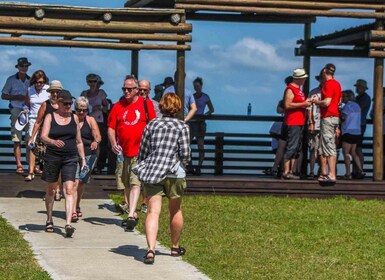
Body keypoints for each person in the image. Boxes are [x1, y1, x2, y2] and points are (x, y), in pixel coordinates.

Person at [133, 93, 190, 265]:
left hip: (153, 172)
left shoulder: (152, 125)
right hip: (174, 173)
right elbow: (186, 154)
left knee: (153, 211)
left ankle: (150, 250)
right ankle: (174, 246)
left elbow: (142, 151)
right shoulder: (182, 126)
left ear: (161, 107)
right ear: (178, 107)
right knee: (175, 210)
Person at [107, 75, 156, 231]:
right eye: (124, 89)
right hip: (123, 151)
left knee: (135, 183)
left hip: (140, 152)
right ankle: (132, 213)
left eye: (129, 89)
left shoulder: (146, 104)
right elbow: (111, 127)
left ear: (136, 90)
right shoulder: (117, 106)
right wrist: (113, 143)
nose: (126, 92)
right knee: (126, 183)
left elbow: (152, 125)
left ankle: (131, 213)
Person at [40, 90, 86, 237]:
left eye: (70, 103)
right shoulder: (50, 117)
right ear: (58, 103)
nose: (68, 106)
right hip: (53, 156)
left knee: (69, 189)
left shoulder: (74, 118)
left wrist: (83, 159)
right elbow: (43, 136)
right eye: (65, 103)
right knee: (52, 190)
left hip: (70, 157)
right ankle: (49, 218)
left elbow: (79, 141)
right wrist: (53, 141)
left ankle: (68, 223)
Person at [28, 80, 63, 200]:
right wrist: (32, 137)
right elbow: (38, 122)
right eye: (53, 92)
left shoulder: (64, 105)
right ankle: (49, 191)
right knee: (47, 166)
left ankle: (58, 190)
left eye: (57, 92)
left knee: (59, 166)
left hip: (59, 138)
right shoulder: (45, 104)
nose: (55, 94)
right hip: (46, 139)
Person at [72, 96, 101, 221]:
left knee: (82, 182)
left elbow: (98, 136)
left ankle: (77, 204)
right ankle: (72, 209)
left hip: (89, 154)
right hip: (74, 153)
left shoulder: (90, 120)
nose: (81, 113)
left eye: (84, 110)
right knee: (74, 182)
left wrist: (96, 142)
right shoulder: (71, 119)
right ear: (75, 109)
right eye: (79, 110)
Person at [312, 63, 342, 183]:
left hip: (328, 117)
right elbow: (338, 102)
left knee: (328, 146)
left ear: (325, 71)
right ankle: (330, 173)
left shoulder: (328, 85)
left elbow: (327, 102)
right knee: (331, 146)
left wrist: (316, 101)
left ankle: (331, 174)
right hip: (335, 117)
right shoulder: (338, 84)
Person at [1, 57, 31, 174]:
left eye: (26, 66)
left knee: (30, 139)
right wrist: (15, 97)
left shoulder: (31, 80)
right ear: (18, 67)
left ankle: (30, 164)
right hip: (16, 110)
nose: (24, 67)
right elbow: (3, 95)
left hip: (28, 111)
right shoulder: (11, 80)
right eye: (22, 66)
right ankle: (19, 164)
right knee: (16, 139)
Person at [281, 69, 311, 179]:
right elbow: (287, 105)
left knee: (297, 148)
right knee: (291, 146)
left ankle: (292, 171)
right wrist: (303, 103)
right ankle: (286, 171)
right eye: (303, 78)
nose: (304, 80)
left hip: (300, 121)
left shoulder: (299, 90)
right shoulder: (290, 89)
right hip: (293, 121)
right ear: (298, 78)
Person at [24, 70, 50, 181]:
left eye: (41, 82)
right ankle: (31, 171)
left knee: (46, 144)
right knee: (31, 143)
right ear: (34, 81)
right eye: (37, 82)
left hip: (46, 119)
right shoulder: (30, 90)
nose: (39, 84)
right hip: (33, 119)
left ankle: (45, 168)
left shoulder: (48, 89)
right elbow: (27, 103)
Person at [81, 74, 108, 174]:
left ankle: (97, 165)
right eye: (90, 81)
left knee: (98, 143)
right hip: (86, 120)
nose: (92, 83)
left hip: (99, 120)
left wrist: (100, 108)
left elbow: (107, 107)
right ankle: (85, 163)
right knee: (85, 142)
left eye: (94, 81)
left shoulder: (101, 93)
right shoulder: (84, 93)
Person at [189, 77, 214, 175]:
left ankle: (199, 167)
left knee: (200, 145)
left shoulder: (205, 97)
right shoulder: (192, 96)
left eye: (198, 86)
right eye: (195, 86)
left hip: (200, 123)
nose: (196, 88)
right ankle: (190, 166)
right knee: (187, 145)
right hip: (192, 122)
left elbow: (211, 109)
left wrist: (204, 115)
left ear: (201, 86)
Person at [340, 90, 365, 179]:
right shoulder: (357, 105)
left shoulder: (347, 106)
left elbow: (343, 117)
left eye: (343, 96)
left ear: (348, 97)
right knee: (353, 152)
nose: (342, 98)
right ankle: (361, 170)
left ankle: (348, 173)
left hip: (348, 131)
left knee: (346, 153)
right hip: (357, 131)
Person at [307, 70, 323, 178]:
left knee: (324, 149)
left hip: (326, 123)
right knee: (313, 148)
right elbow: (309, 108)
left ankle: (322, 171)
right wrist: (311, 122)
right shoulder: (313, 92)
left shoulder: (330, 91)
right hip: (316, 122)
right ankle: (312, 171)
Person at [353, 79, 371, 178]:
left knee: (358, 148)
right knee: (355, 149)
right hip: (357, 125)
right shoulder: (359, 97)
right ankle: (356, 170)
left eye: (359, 87)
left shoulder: (365, 98)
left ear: (363, 88)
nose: (357, 88)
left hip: (360, 124)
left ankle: (359, 170)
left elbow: (357, 108)